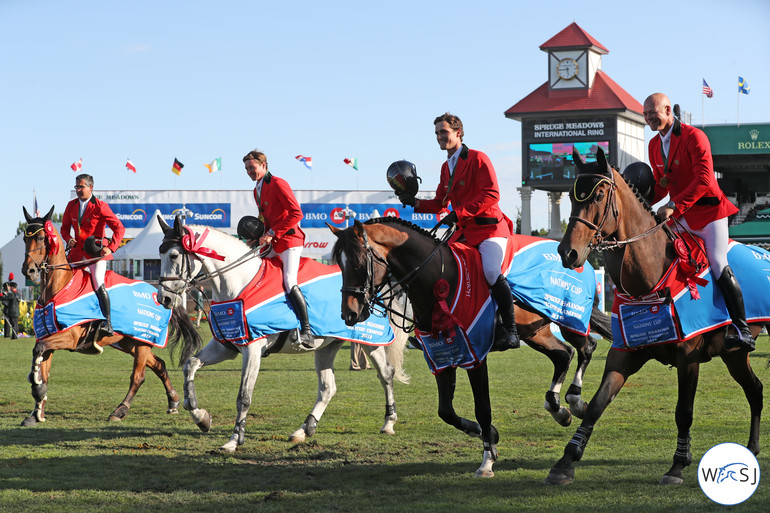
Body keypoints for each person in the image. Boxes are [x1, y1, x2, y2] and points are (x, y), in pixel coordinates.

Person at [397, 112, 519, 350]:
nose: (439, 137)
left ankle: (511, 331)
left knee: (492, 272)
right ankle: (431, 332)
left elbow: (492, 194)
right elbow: (439, 204)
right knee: (438, 271)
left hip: (489, 230)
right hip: (463, 233)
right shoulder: (445, 167)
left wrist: (460, 213)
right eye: (437, 134)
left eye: (443, 132)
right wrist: (414, 202)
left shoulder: (478, 158)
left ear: (458, 133)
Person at [644, 92, 752, 351]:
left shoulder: (695, 137)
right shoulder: (653, 146)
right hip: (681, 215)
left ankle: (742, 328)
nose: (648, 118)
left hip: (710, 213)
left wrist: (672, 205)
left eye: (653, 112)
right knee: (662, 255)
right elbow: (661, 186)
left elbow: (705, 180)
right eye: (645, 114)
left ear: (668, 110)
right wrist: (640, 201)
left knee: (717, 262)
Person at [243, 149, 314, 348]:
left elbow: (296, 213)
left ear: (263, 165)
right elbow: (264, 218)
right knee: (259, 273)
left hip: (290, 241)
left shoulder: (278, 183)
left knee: (289, 281)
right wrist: (257, 237)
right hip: (274, 241)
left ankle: (307, 330)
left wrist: (272, 233)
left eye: (252, 167)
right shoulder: (256, 188)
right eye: (246, 168)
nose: (249, 171)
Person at [61, 173, 125, 338]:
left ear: (91, 187)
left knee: (98, 282)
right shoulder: (71, 205)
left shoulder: (100, 206)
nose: (78, 190)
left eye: (81, 186)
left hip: (95, 253)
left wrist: (111, 248)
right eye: (76, 187)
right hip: (76, 253)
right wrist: (68, 239)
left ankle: (107, 322)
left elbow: (119, 228)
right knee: (66, 283)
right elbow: (64, 229)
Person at [2, 273, 20, 339]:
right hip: (16, 311)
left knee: (13, 324)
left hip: (12, 311)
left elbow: (4, 298)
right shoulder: (18, 294)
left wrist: (1, 295)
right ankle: (14, 336)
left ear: (12, 287)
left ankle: (14, 336)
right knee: (15, 324)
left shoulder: (12, 295)